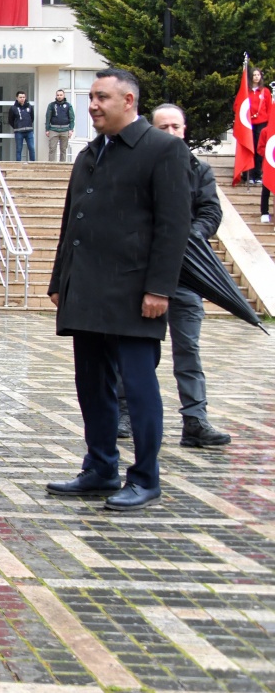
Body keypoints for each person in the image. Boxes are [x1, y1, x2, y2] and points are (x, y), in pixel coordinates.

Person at [45, 69, 190, 512]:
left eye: (101, 97)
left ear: (129, 101)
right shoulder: (90, 153)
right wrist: (59, 281)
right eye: (90, 97)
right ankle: (101, 467)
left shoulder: (163, 150)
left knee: (139, 388)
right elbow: (73, 221)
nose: (92, 105)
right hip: (86, 292)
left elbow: (173, 226)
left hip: (135, 294)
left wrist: (160, 288)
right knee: (91, 385)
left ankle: (145, 477)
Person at [147, 104, 232, 448]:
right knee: (138, 351)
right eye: (162, 127)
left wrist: (185, 237)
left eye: (176, 126)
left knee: (189, 350)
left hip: (185, 275)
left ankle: (195, 420)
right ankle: (125, 413)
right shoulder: (141, 167)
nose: (170, 133)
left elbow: (211, 212)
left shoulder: (199, 169)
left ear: (185, 129)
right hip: (145, 276)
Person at [250, 69, 269, 187]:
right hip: (249, 123)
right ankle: (249, 174)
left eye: (258, 75)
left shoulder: (265, 91)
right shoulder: (246, 91)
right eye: (254, 75)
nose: (256, 77)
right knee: (250, 148)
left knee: (259, 148)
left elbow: (270, 109)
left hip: (262, 122)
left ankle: (257, 174)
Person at [45, 89, 75, 163]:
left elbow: (72, 118)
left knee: (63, 149)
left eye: (61, 95)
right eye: (58, 95)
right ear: (56, 96)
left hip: (65, 130)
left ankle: (62, 166)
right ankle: (51, 166)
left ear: (64, 95)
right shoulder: (51, 105)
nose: (59, 96)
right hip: (53, 130)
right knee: (52, 149)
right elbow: (48, 117)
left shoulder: (68, 105)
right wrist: (47, 129)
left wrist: (71, 129)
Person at [7, 90, 35, 162]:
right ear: (17, 98)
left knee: (31, 148)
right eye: (20, 97)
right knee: (19, 149)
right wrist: (16, 126)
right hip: (18, 132)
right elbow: (10, 120)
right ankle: (18, 164)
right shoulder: (13, 108)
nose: (22, 99)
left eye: (23, 97)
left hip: (29, 131)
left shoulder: (30, 107)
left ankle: (33, 163)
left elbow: (32, 118)